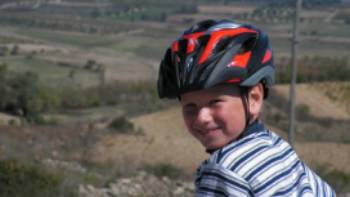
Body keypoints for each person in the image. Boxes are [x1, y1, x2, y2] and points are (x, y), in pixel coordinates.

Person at [157, 19, 336, 196]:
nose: (201, 117)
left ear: (254, 99)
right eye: (190, 106)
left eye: (215, 102)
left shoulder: (224, 171)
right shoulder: (279, 150)